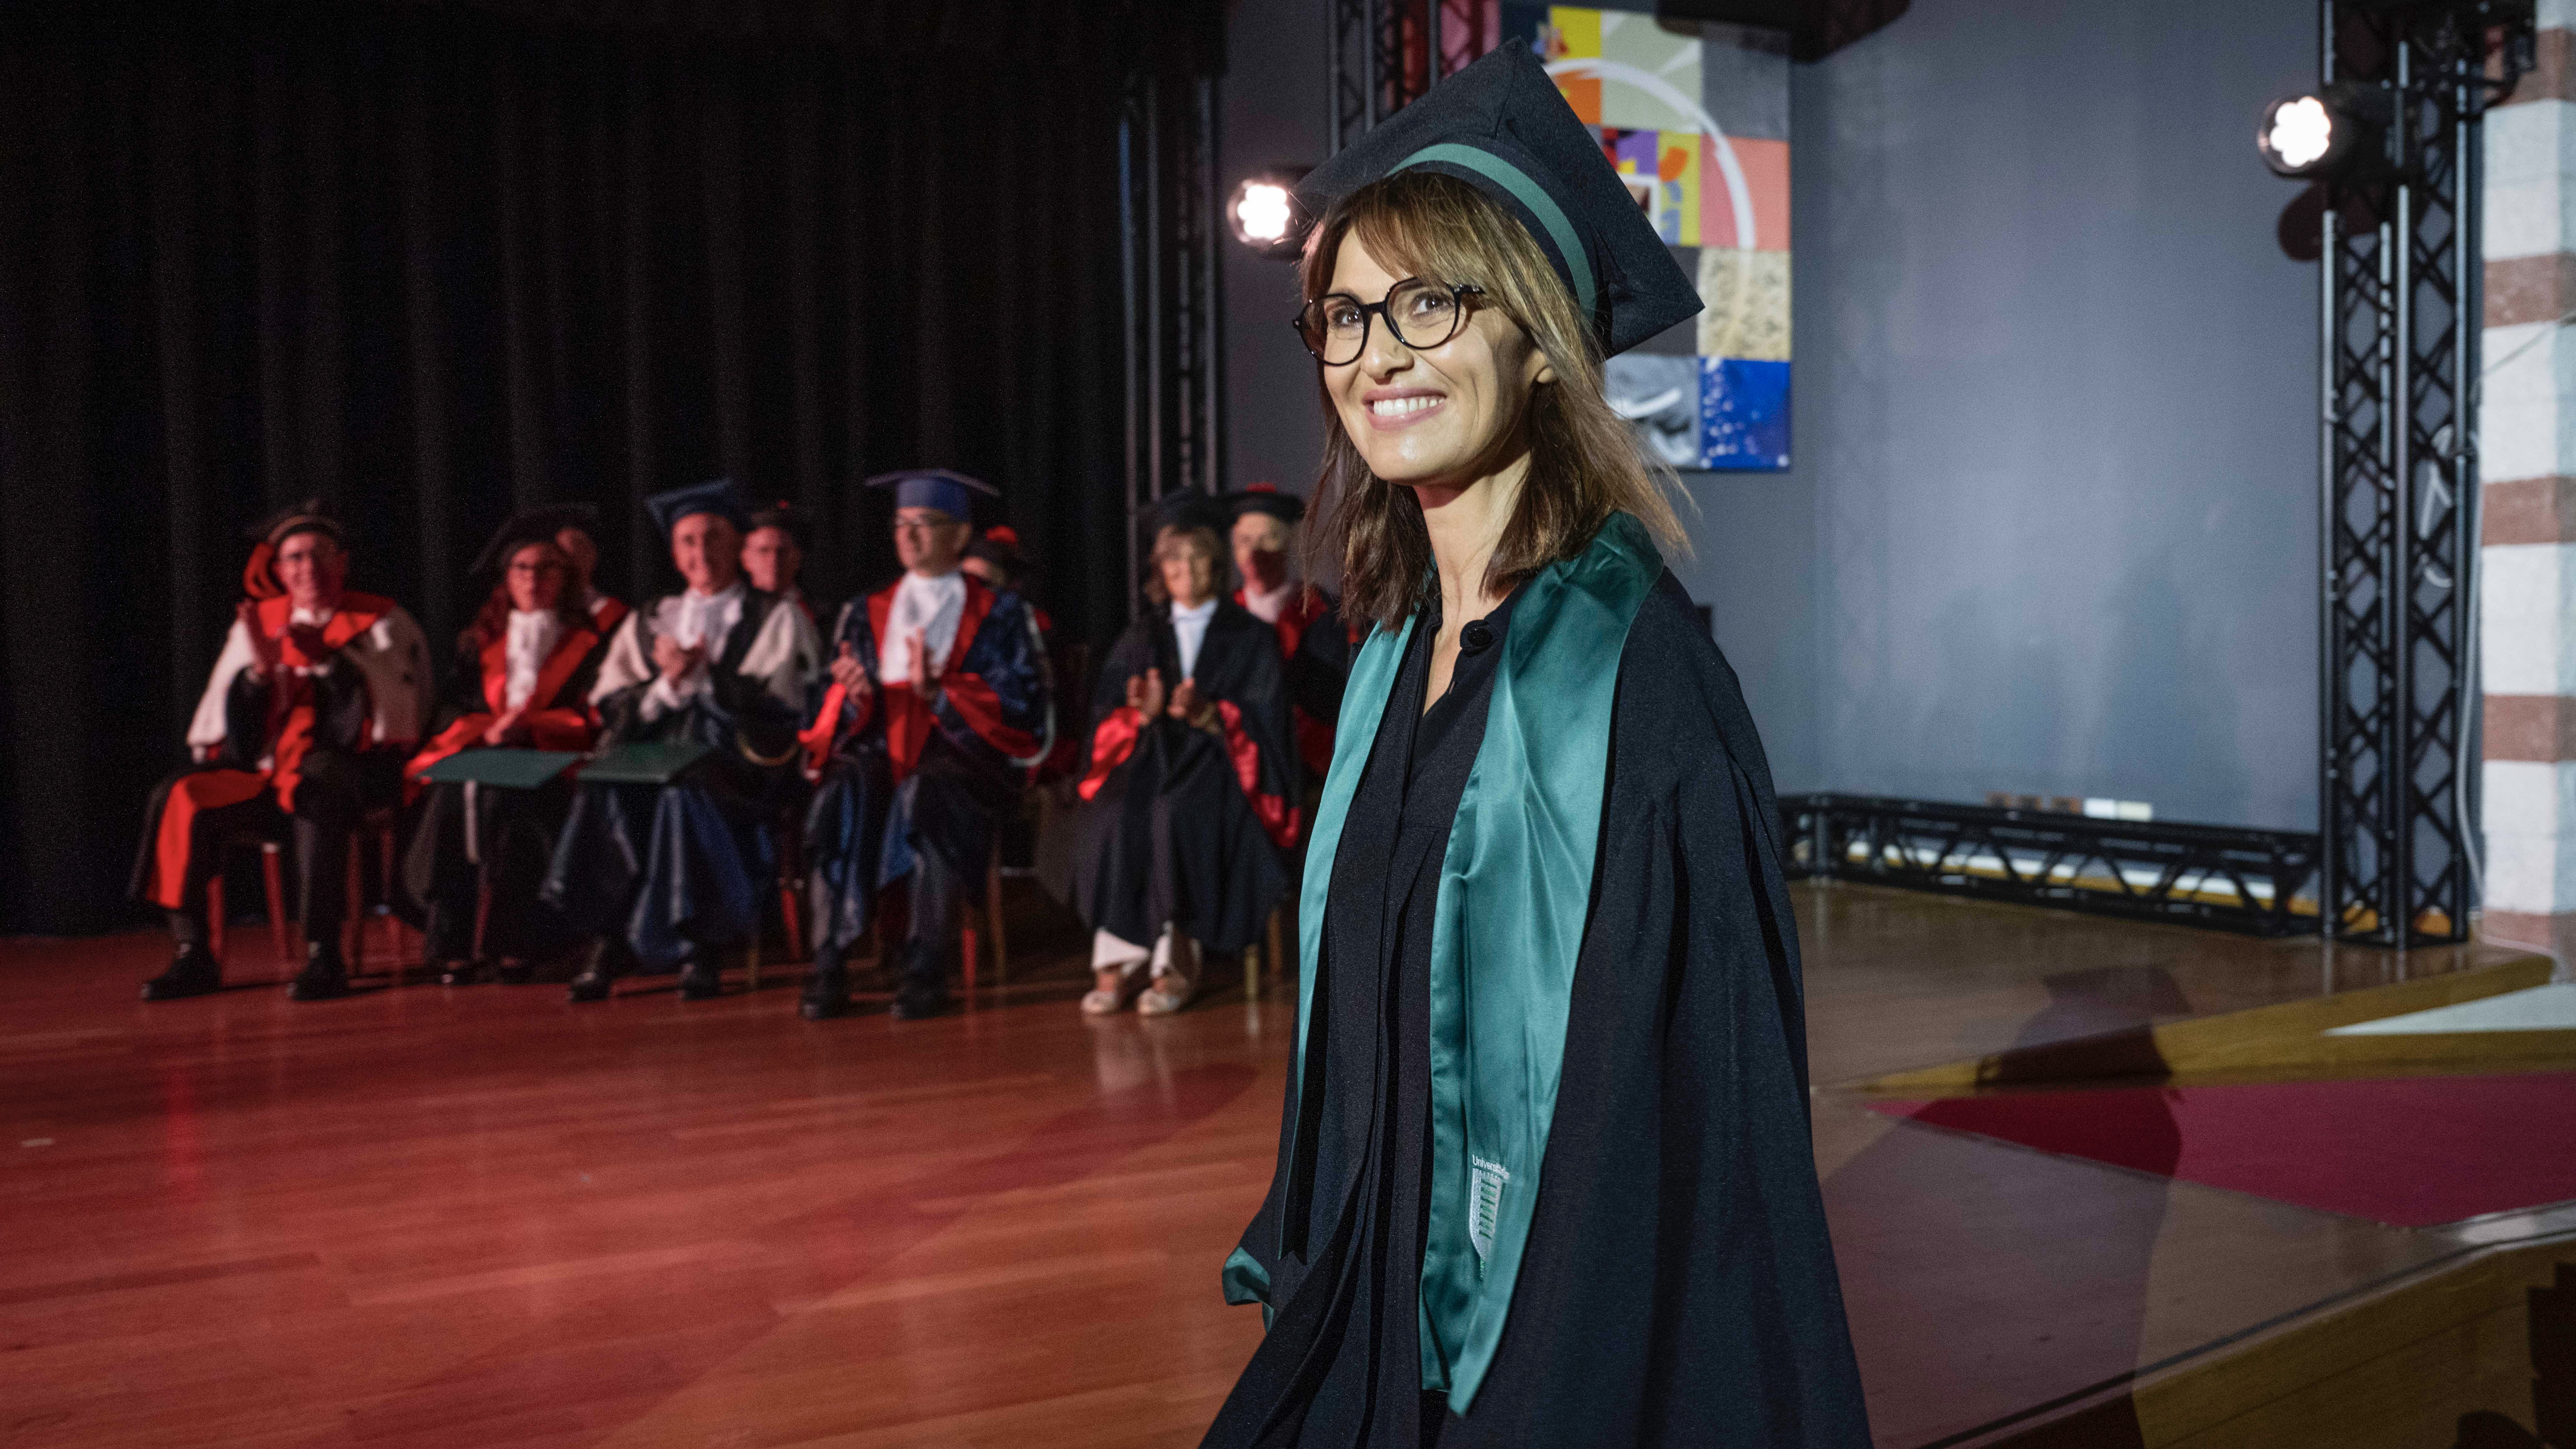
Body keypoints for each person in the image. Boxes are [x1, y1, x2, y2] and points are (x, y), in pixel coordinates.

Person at [1203, 41, 1870, 1447]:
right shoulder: (1391, 652)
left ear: (1543, 336)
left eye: (1429, 303)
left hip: (1559, 1350)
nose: (1378, 354)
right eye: (1346, 315)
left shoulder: (1643, 690)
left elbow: (1691, 1127)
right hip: (1373, 1306)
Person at [132, 501, 432, 1003]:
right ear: (279, 570)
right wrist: (257, 678)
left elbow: (399, 714)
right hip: (267, 776)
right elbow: (232, 737)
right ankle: (193, 955)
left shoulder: (382, 621)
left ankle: (323, 953)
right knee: (181, 794)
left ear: (342, 563)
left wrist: (330, 664)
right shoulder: (259, 622)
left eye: (319, 555)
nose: (307, 568)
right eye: (294, 558)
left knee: (319, 782)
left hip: (352, 774)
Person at [543, 478, 821, 1002]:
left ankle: (700, 943)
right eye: (689, 541)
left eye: (713, 537)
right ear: (674, 553)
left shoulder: (775, 617)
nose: (701, 552)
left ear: (738, 545)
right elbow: (609, 702)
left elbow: (787, 709)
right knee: (605, 783)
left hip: (740, 764)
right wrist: (667, 685)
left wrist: (707, 680)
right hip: (654, 751)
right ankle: (610, 939)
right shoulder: (651, 618)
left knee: (684, 789)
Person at [798, 470, 1048, 1021]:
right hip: (879, 748)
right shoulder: (866, 610)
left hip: (962, 759)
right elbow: (824, 701)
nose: (908, 536)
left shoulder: (1001, 612)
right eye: (900, 525)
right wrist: (851, 693)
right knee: (840, 792)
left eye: (924, 524)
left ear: (960, 536)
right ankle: (829, 962)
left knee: (924, 794)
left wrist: (943, 693)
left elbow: (1023, 700)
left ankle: (925, 966)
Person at [1062, 495, 1299, 1018]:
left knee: (1174, 814)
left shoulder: (1249, 635)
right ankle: (1119, 957)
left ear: (1216, 564)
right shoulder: (1141, 634)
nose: (1184, 570)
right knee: (1115, 813)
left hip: (1219, 764)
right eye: (1173, 559)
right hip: (1148, 759)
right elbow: (1104, 718)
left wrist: (1214, 715)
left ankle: (1177, 957)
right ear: (1159, 568)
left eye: (1196, 557)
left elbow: (1269, 722)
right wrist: (1139, 716)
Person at [399, 516, 609, 985]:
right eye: (522, 569)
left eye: (547, 569)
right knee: (450, 794)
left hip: (555, 762)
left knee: (510, 804)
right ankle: (450, 943)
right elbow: (453, 707)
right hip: (487, 751)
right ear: (507, 579)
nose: (534, 580)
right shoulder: (480, 643)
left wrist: (533, 725)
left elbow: (598, 715)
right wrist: (488, 729)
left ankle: (517, 944)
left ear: (566, 578)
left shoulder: (590, 643)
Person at [1225, 484, 1340, 783]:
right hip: (1235, 768)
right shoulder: (1223, 616)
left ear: (1287, 545)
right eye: (1245, 541)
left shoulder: (1318, 611)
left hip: (1304, 768)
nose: (1255, 553)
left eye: (1268, 539)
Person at [744, 499, 820, 628]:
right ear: (746, 558)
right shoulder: (733, 613)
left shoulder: (821, 615)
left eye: (782, 551)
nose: (774, 560)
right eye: (764, 551)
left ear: (797, 557)